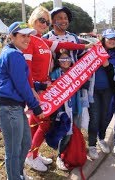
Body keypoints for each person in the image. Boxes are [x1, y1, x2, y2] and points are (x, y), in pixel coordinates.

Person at [23, 6, 90, 172]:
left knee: (34, 123)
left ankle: (32, 154)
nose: (44, 24)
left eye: (46, 21)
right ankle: (31, 156)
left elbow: (65, 44)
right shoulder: (29, 40)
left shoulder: (41, 40)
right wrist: (34, 89)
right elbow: (26, 69)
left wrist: (85, 47)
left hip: (45, 86)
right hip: (37, 89)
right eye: (41, 20)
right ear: (33, 20)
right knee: (44, 123)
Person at [0, 21, 44, 180]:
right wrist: (36, 108)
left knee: (25, 143)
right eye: (23, 36)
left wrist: (40, 84)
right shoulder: (13, 54)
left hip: (13, 106)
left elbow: (20, 80)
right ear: (12, 36)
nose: (27, 39)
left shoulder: (13, 52)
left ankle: (19, 174)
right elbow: (22, 85)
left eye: (28, 36)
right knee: (14, 150)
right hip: (7, 107)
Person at [88, 29, 115, 160]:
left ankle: (101, 138)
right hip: (94, 90)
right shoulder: (93, 52)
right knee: (95, 117)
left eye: (114, 39)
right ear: (104, 39)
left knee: (105, 116)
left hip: (108, 91)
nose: (112, 41)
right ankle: (91, 145)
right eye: (109, 38)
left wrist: (107, 64)